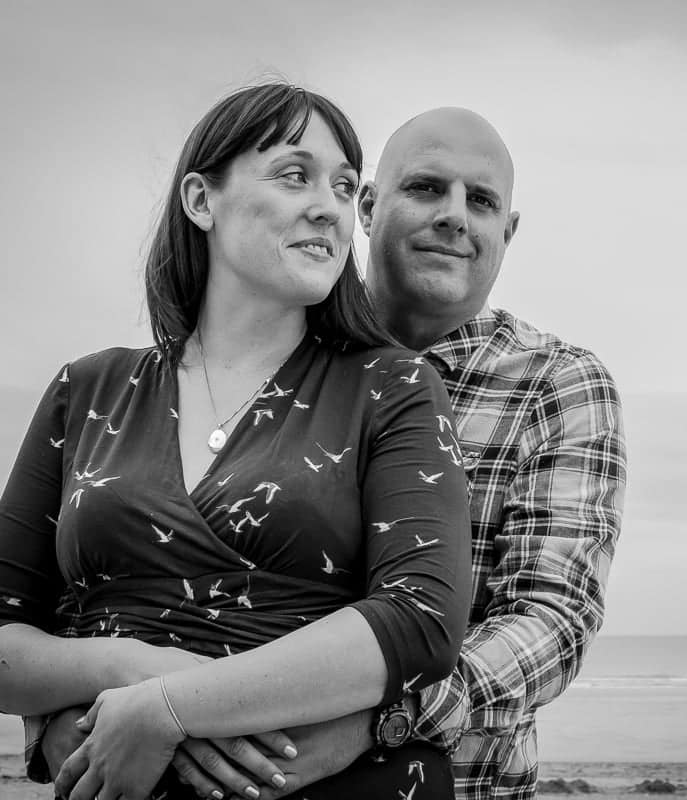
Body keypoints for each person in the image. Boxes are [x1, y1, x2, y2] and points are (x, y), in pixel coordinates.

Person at [0, 83, 472, 800]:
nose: (329, 205)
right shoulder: (88, 390)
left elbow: (422, 619)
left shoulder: (392, 386)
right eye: (295, 175)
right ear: (202, 199)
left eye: (345, 186)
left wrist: (170, 710)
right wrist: (128, 673)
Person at [147, 107, 628, 799]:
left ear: (508, 232)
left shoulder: (557, 383)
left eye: (482, 201)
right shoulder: (272, 358)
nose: (455, 216)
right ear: (367, 206)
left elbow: (553, 616)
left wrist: (382, 718)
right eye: (427, 188)